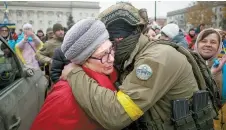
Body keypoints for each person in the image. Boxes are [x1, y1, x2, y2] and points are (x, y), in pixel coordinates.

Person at [60, 2, 218, 130]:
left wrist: (75, 74)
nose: (110, 52)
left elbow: (117, 114)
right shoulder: (133, 56)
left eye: (112, 43)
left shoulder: (156, 58)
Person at [30, 18, 116, 130]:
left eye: (111, 49)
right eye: (102, 55)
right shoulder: (63, 98)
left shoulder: (107, 74)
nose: (112, 58)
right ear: (83, 60)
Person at [193, 28, 226, 130]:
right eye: (204, 41)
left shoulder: (221, 66)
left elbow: (220, 98)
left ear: (219, 46)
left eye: (213, 42)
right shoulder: (186, 64)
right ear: (197, 44)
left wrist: (215, 74)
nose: (208, 44)